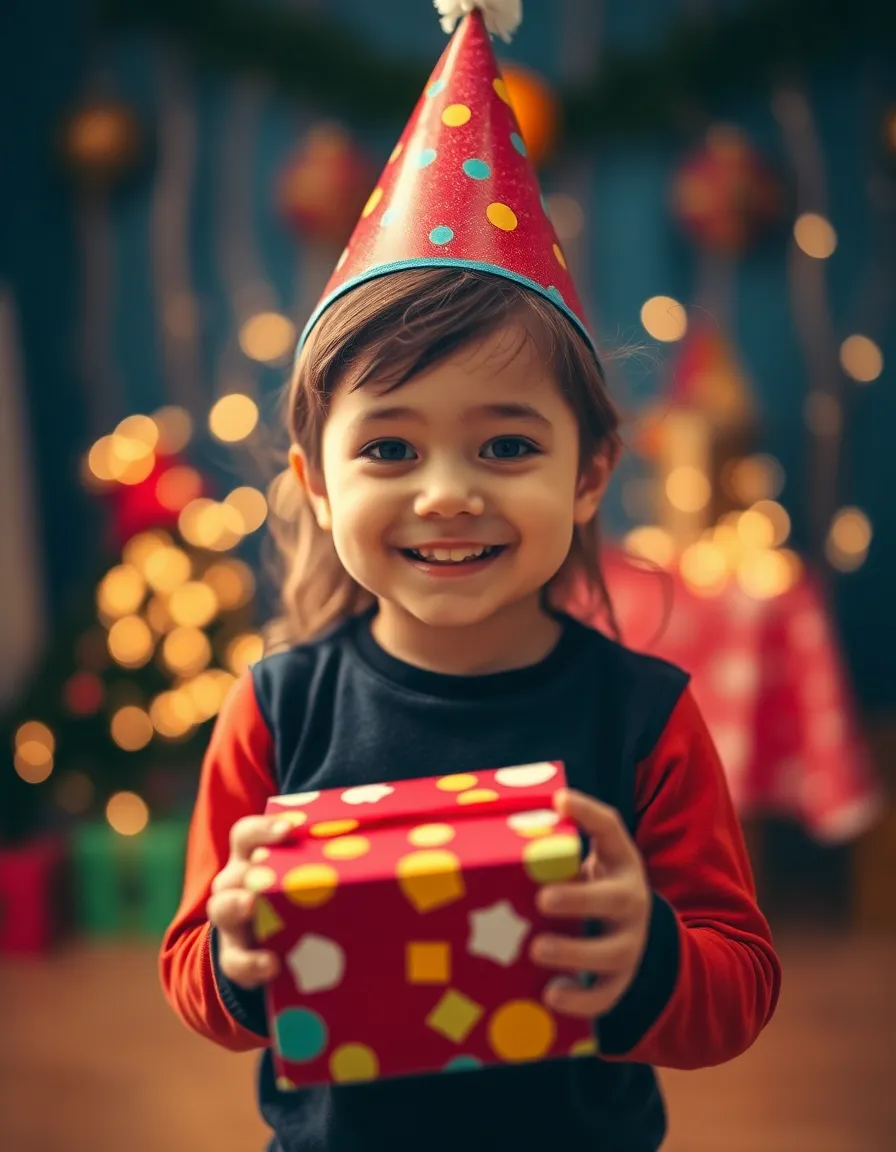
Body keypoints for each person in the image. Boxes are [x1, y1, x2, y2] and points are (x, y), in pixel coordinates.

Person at [160, 6, 780, 1151]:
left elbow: (736, 990)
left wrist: (644, 950)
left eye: (506, 446)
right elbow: (196, 973)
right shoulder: (273, 710)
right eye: (389, 449)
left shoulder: (642, 718)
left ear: (590, 473)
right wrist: (238, 957)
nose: (447, 493)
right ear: (315, 481)